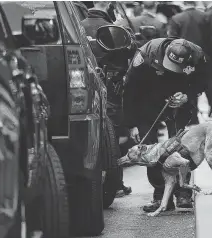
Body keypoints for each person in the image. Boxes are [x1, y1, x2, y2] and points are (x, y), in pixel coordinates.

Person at [123, 38, 208, 211]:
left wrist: (187, 96)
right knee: (149, 150)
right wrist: (131, 123)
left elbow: (203, 81)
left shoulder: (197, 55)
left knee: (180, 148)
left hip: (178, 101)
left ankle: (183, 193)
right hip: (147, 102)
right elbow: (129, 89)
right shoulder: (146, 55)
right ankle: (160, 196)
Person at [81, 2, 133, 197]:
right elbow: (127, 56)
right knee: (112, 135)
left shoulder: (77, 24)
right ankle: (115, 183)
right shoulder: (114, 28)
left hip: (84, 88)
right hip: (110, 88)